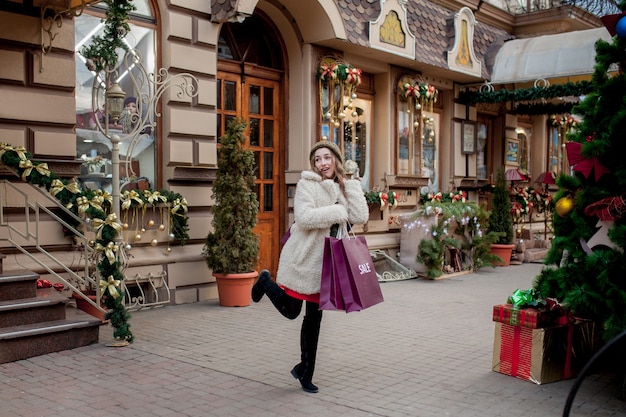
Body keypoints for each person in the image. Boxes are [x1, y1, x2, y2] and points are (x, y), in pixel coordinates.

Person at [251, 140, 369, 393]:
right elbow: (304, 217)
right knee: (292, 310)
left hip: (328, 265)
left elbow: (359, 217)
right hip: (304, 259)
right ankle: (265, 282)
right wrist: (337, 211)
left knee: (314, 319)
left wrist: (351, 187)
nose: (323, 163)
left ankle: (306, 373)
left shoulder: (345, 187)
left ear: (336, 159)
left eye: (327, 157)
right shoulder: (307, 184)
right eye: (317, 159)